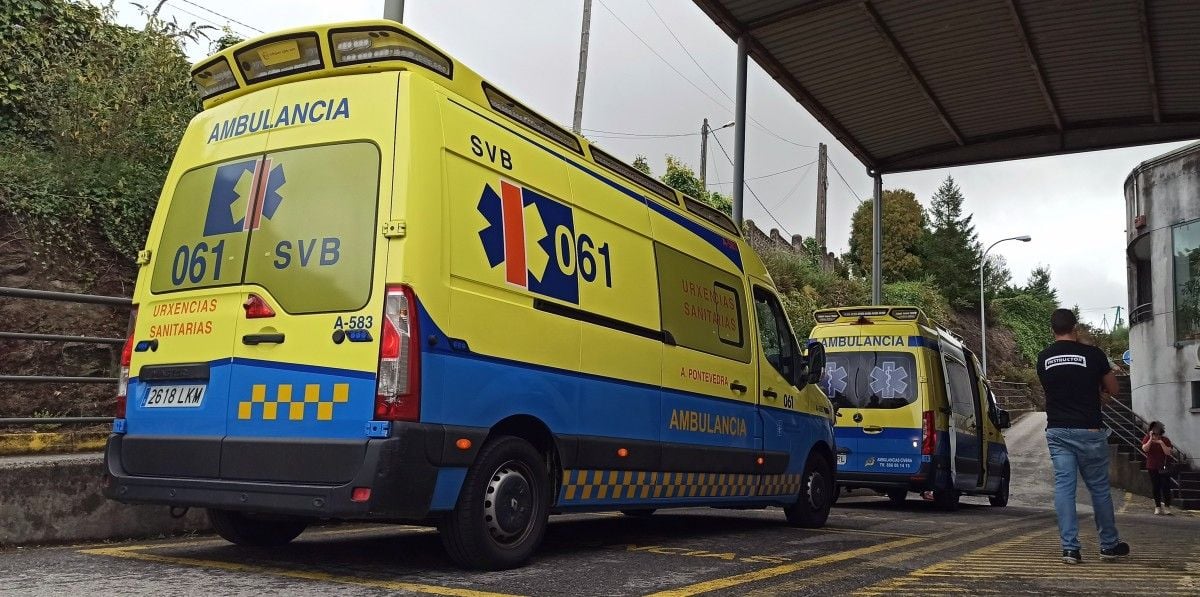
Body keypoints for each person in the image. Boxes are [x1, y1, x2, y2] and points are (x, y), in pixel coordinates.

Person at [1036, 308, 1129, 565]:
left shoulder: (1044, 358)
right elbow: (1113, 388)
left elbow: (1055, 389)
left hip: (1057, 431)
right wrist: (1100, 396)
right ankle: (1109, 546)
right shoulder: (1094, 354)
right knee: (1099, 489)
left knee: (1065, 489)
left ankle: (1070, 549)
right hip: (1089, 430)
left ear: (1052, 329)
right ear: (1074, 328)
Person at [1141, 421, 1175, 515]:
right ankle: (1157, 506)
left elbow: (1168, 452)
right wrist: (1151, 439)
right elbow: (1145, 449)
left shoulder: (1165, 440)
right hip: (1152, 466)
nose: (1156, 433)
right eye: (1154, 430)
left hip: (1164, 467)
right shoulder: (1148, 438)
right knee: (1156, 487)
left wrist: (1161, 442)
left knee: (1166, 486)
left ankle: (1167, 507)